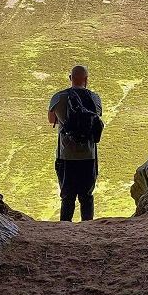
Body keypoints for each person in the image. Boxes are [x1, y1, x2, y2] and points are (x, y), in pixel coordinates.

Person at [47, 65, 102, 222]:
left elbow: (51, 120)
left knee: (67, 197)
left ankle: (65, 230)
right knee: (87, 197)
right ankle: (88, 229)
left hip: (66, 155)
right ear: (86, 80)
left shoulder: (58, 98)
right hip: (89, 155)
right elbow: (95, 119)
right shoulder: (95, 99)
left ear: (70, 78)